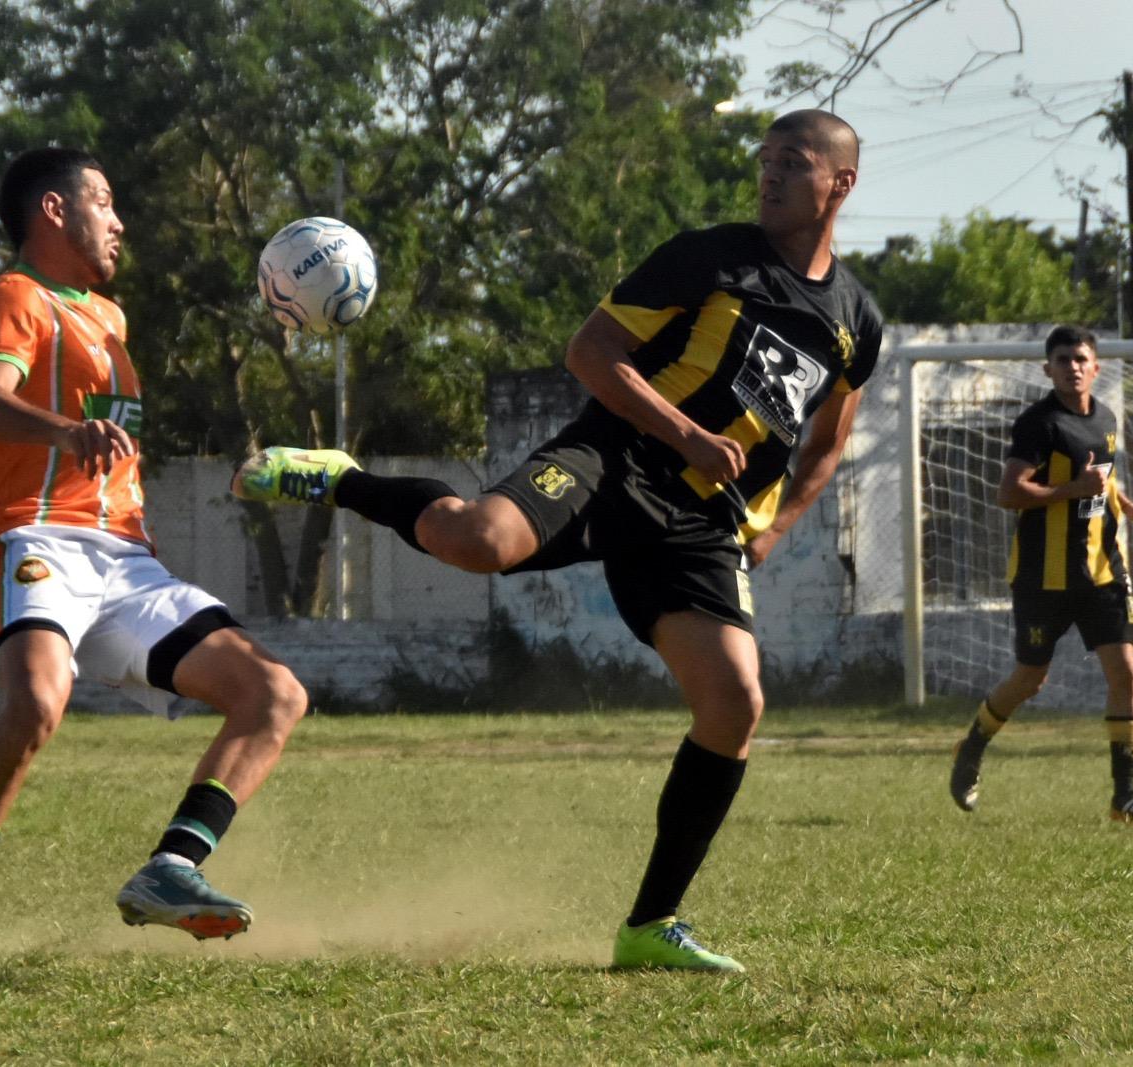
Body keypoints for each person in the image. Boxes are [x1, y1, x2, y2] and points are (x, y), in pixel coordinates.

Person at [233, 110, 881, 973]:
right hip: (613, 457)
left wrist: (774, 525)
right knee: (475, 539)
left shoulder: (855, 318)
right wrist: (687, 434)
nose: (769, 175)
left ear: (840, 183)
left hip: (698, 523)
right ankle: (339, 478)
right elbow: (591, 352)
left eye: (791, 163)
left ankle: (651, 925)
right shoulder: (709, 256)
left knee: (735, 704)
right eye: (764, 160)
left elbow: (829, 440)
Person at [0, 148, 309, 988]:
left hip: (124, 560)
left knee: (275, 693)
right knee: (35, 702)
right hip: (34, 541)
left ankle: (171, 867)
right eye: (105, 201)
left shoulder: (111, 319)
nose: (119, 222)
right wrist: (64, 431)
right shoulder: (17, 297)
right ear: (54, 210)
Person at [949, 325, 1133, 823]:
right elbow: (1009, 493)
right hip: (1042, 576)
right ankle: (973, 745)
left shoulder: (1107, 418)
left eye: (1081, 359)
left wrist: (1128, 506)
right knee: (1030, 679)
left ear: (1097, 367)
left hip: (1103, 571)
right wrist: (1071, 491)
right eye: (1063, 359)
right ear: (1048, 369)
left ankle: (1124, 795)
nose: (1073, 367)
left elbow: (1101, 478)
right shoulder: (1038, 424)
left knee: (1125, 669)